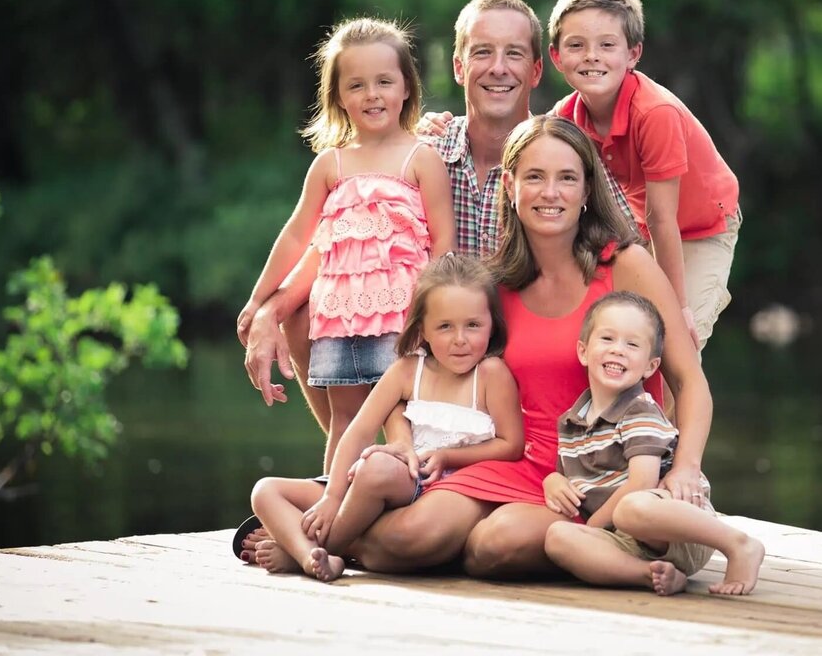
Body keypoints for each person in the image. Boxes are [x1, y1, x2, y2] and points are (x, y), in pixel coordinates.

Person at [302, 115, 715, 578]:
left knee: (491, 546)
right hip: (521, 460)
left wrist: (684, 468)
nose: (550, 193)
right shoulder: (495, 285)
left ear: (586, 191)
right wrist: (399, 438)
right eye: (534, 177)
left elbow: (689, 378)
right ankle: (327, 537)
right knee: (411, 535)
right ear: (511, 187)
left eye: (566, 178)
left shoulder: (625, 265)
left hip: (606, 468)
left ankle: (316, 537)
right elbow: (416, 370)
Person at [236, 17, 454, 471]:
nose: (372, 94)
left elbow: (443, 243)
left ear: (407, 88)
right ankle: (330, 508)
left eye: (384, 82)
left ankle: (400, 506)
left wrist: (434, 316)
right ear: (338, 96)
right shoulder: (330, 164)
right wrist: (259, 300)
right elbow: (299, 233)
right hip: (337, 318)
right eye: (356, 85)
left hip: (401, 315)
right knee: (345, 420)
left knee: (400, 417)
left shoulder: (421, 158)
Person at [248, 254, 521, 581]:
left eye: (473, 325)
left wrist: (448, 455)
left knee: (376, 468)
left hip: (443, 489)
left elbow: (511, 445)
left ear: (492, 324)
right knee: (265, 491)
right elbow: (359, 431)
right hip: (401, 480)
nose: (460, 339)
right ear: (423, 330)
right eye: (445, 326)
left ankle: (313, 552)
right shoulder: (408, 370)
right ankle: (312, 553)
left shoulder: (491, 374)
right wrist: (334, 496)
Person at [548, 0, 742, 352]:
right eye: (576, 45)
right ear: (557, 57)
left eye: (607, 45)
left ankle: (677, 408)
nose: (592, 56)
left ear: (633, 53)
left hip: (702, 225)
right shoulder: (566, 116)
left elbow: (662, 220)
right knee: (616, 337)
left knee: (676, 342)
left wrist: (678, 307)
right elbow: (529, 148)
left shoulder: (655, 114)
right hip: (641, 226)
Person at [541, 291, 765, 596]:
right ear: (583, 351)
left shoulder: (639, 410)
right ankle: (651, 575)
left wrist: (592, 526)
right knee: (557, 536)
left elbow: (642, 483)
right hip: (627, 541)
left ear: (650, 366)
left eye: (632, 344)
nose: (618, 350)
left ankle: (736, 543)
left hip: (675, 528)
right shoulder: (570, 422)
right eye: (607, 339)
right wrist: (552, 481)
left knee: (631, 507)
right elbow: (565, 473)